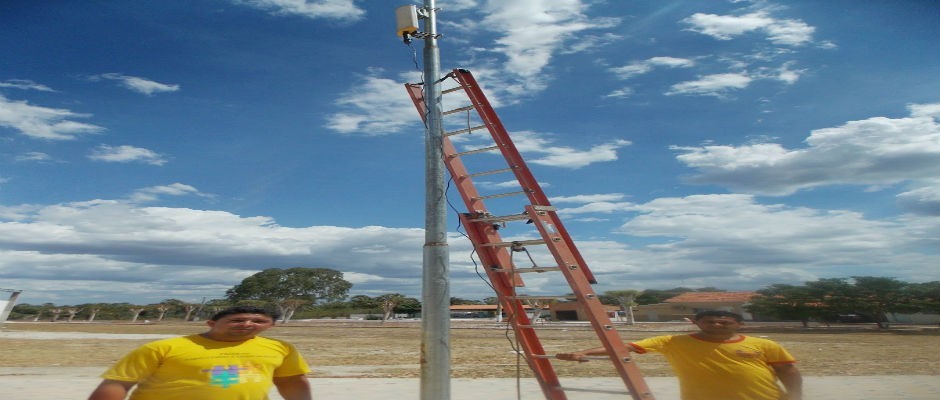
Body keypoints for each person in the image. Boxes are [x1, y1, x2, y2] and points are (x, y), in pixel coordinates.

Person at [557, 310, 802, 400]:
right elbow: (625, 348)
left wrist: (795, 397)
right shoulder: (673, 342)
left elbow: (788, 371)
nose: (717, 325)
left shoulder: (763, 344)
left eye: (724, 322)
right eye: (710, 321)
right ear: (696, 322)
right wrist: (583, 352)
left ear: (740, 325)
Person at [88, 306, 312, 400]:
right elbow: (118, 384)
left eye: (258, 321)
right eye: (237, 320)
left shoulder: (280, 348)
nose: (247, 324)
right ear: (211, 323)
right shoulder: (164, 348)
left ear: (270, 326)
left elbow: (291, 381)